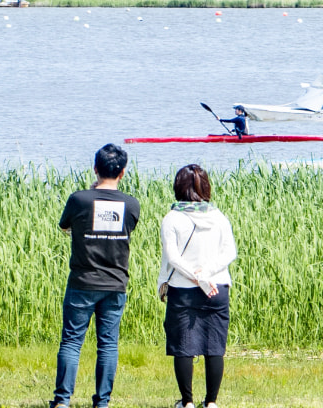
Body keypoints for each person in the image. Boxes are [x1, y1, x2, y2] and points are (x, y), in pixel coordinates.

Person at [51, 144, 143, 408]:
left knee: (71, 341)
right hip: (115, 283)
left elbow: (65, 227)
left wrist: (92, 193)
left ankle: (62, 401)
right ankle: (102, 402)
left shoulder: (79, 199)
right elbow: (129, 229)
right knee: (108, 345)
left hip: (82, 281)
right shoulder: (131, 204)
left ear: (95, 168)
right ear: (123, 172)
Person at [158, 164, 236, 408]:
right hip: (217, 287)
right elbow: (230, 252)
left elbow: (173, 258)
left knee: (184, 346)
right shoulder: (218, 216)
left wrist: (194, 276)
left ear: (178, 187)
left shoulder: (172, 218)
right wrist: (207, 274)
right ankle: (211, 402)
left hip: (183, 289)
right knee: (215, 345)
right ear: (206, 186)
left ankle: (188, 402)